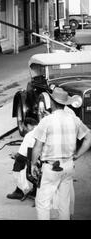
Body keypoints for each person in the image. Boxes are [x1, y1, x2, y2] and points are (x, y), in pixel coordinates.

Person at [31, 87, 91, 220]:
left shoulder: (46, 121)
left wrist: (33, 164)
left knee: (42, 203)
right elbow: (89, 138)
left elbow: (37, 147)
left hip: (51, 167)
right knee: (64, 203)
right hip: (68, 166)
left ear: (52, 102)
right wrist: (77, 155)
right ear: (65, 103)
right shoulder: (74, 119)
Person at [7, 117, 38, 200]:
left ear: (28, 126)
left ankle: (19, 191)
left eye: (25, 128)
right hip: (44, 158)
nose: (26, 131)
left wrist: (15, 155)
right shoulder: (42, 130)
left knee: (18, 162)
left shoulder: (29, 135)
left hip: (33, 161)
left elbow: (22, 155)